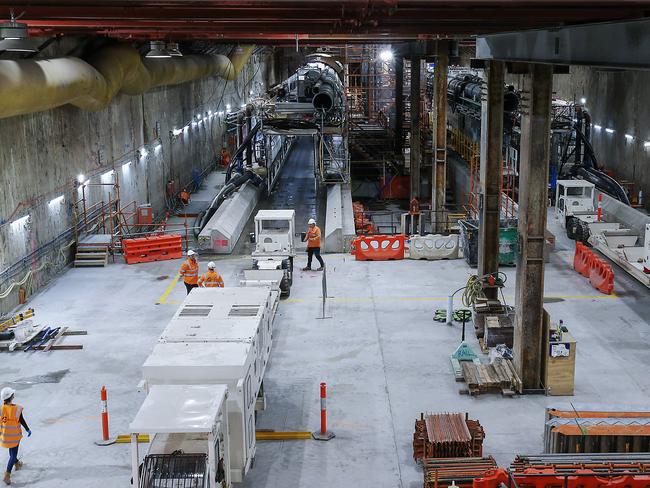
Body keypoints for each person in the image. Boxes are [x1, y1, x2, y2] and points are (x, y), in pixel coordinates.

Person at [1, 387, 30, 486]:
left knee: (12, 453)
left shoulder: (1, 409)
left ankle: (17, 464)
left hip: (5, 436)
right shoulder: (17, 408)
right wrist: (27, 429)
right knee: (13, 455)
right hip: (14, 436)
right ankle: (7, 475)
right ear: (11, 397)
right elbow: (21, 420)